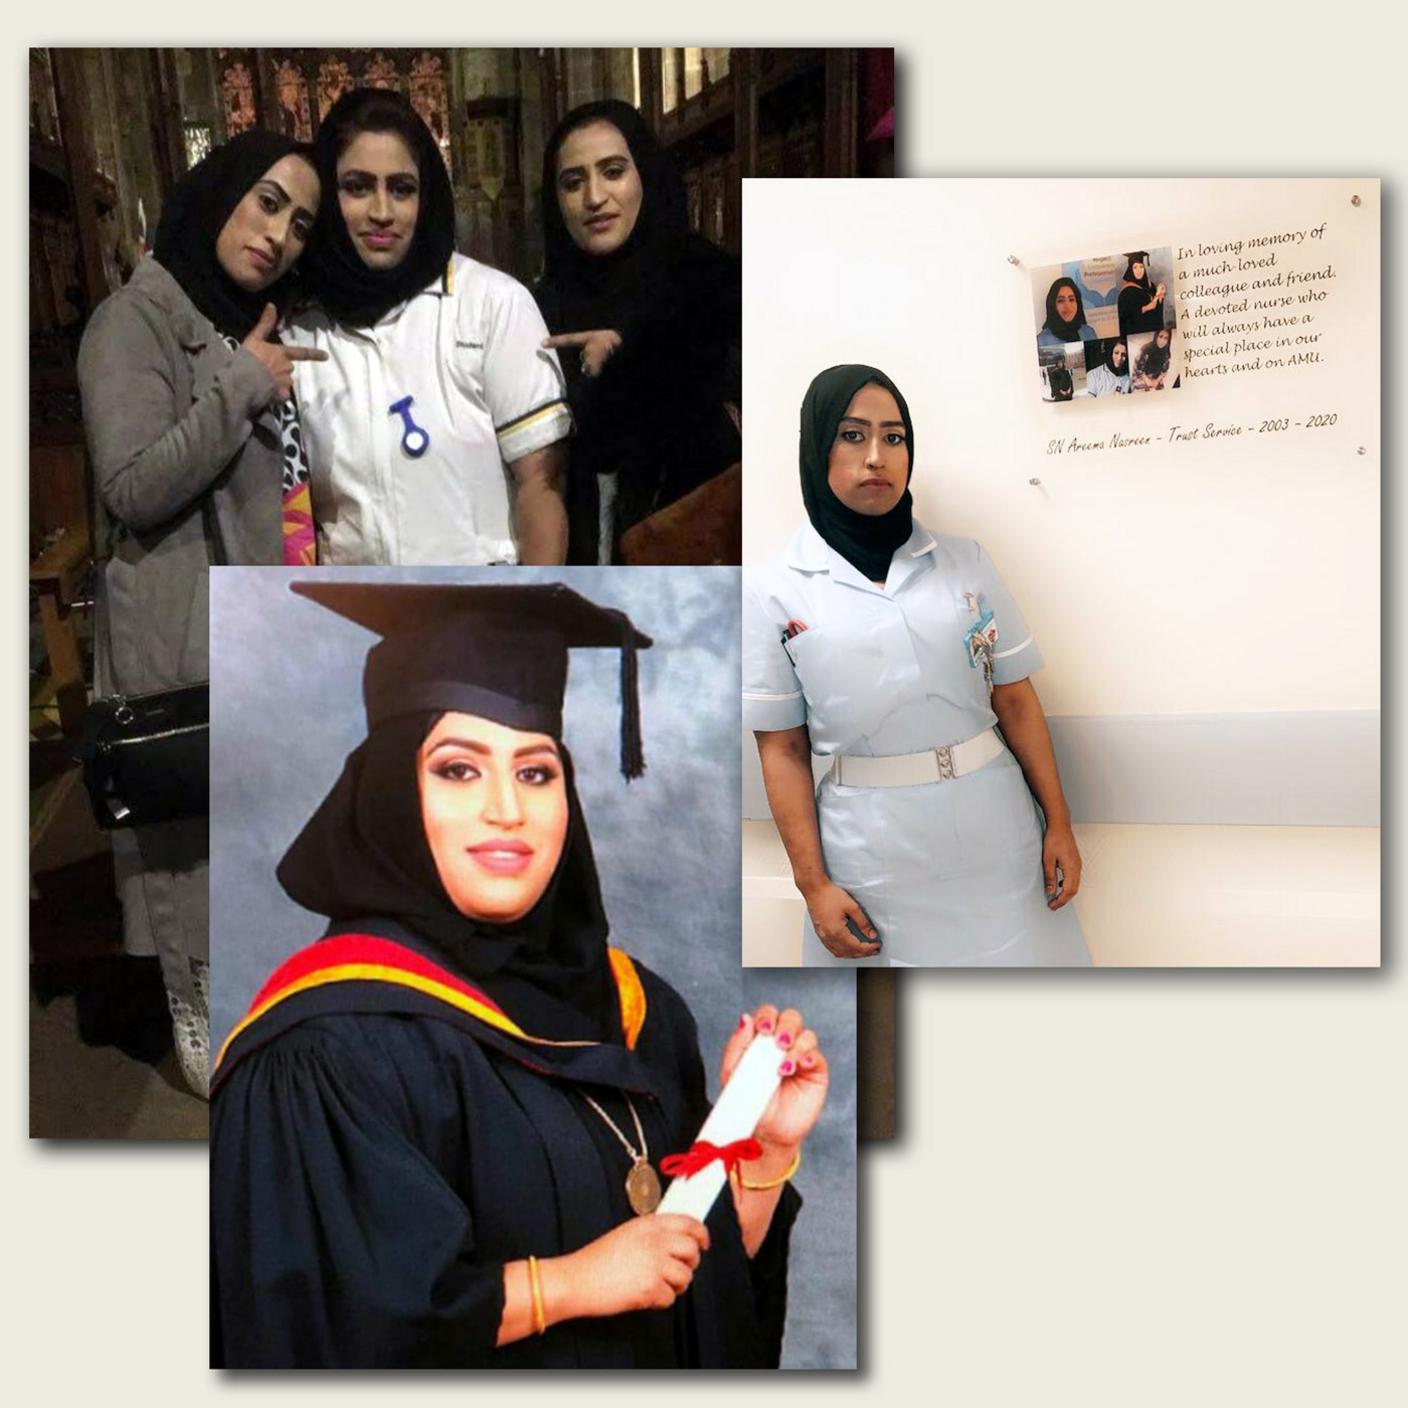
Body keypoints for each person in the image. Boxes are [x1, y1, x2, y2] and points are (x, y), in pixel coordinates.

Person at [210, 583, 827, 1367]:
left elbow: (698, 1283)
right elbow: (322, 1332)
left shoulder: (641, 1008)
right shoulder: (331, 1051)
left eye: (536, 773)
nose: (508, 808)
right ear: (394, 791)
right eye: (459, 770)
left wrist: (757, 1146)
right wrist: (568, 1285)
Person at [76, 130, 324, 1097]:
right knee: (188, 841)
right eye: (266, 202)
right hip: (181, 631)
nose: (280, 234)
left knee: (251, 828)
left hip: (254, 615)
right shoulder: (130, 322)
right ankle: (200, 1019)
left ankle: (253, 1007)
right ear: (216, 192)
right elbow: (134, 485)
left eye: (299, 221)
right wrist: (242, 388)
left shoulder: (237, 324)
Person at [743, 364, 1091, 968]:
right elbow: (782, 750)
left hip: (997, 833)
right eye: (852, 435)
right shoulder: (775, 591)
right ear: (816, 446)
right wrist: (813, 885)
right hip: (871, 854)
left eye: (894, 436)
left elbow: (1014, 699)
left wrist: (1058, 822)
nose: (876, 456)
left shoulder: (966, 563)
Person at [286, 89, 571, 566]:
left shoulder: (491, 304)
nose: (382, 211)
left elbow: (541, 485)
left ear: (428, 194)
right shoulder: (300, 328)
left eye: (401, 188)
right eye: (357, 186)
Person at [534, 100, 741, 564]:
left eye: (612, 172)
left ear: (644, 173)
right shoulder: (532, 309)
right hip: (581, 575)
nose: (594, 197)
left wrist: (630, 370)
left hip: (696, 568)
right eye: (573, 182)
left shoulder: (710, 284)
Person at [1036, 275, 1096, 347]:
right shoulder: (1042, 340)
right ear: (1052, 305)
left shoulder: (1088, 333)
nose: (1067, 306)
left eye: (1071, 299)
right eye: (1060, 301)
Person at [1116, 252, 1167, 336]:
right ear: (1130, 269)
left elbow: (1156, 311)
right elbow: (1126, 317)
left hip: (1152, 332)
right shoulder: (1127, 292)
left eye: (1141, 267)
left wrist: (1160, 295)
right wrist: (1147, 308)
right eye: (1135, 267)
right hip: (1137, 334)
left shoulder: (1151, 286)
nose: (1139, 271)